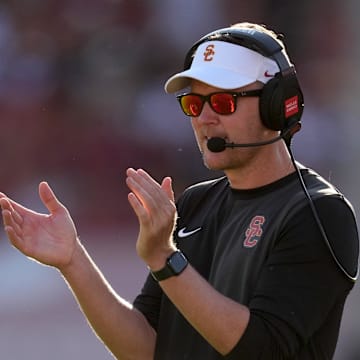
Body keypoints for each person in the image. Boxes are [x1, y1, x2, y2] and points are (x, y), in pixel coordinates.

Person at [0, 22, 358, 359]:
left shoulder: (320, 212)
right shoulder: (196, 202)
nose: (204, 119)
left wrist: (166, 260)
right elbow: (145, 349)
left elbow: (262, 349)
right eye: (194, 104)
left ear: (275, 106)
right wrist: (73, 260)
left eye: (222, 102)